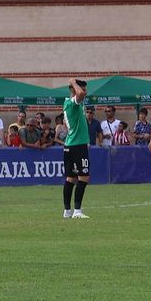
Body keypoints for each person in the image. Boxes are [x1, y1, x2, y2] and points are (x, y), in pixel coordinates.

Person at [59, 79, 92, 219]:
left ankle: (67, 210)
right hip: (77, 145)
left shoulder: (68, 103)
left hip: (70, 145)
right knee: (83, 177)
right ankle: (77, 210)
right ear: (74, 89)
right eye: (84, 89)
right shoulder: (73, 102)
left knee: (71, 178)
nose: (85, 92)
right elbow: (79, 94)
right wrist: (73, 82)